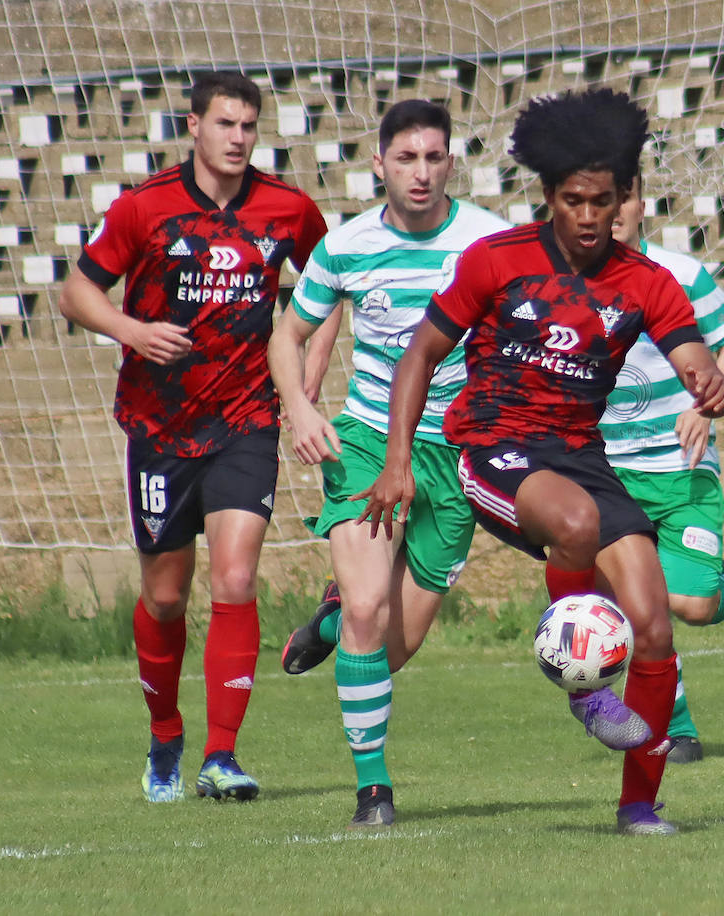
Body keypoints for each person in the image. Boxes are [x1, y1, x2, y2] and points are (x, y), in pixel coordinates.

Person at [357, 88, 724, 835]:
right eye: (573, 200)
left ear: (625, 196)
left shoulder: (647, 284)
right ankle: (584, 683)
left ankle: (638, 806)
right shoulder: (496, 260)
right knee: (578, 521)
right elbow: (419, 356)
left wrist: (710, 381)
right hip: (491, 445)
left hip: (579, 457)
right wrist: (399, 461)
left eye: (603, 200)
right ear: (549, 197)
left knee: (656, 627)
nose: (588, 217)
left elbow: (692, 352)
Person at [58, 71, 327, 803]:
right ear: (195, 126)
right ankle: (165, 736)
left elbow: (330, 287)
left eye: (248, 126)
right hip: (161, 426)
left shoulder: (288, 209)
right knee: (167, 595)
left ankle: (223, 755)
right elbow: (75, 291)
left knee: (237, 577)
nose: (238, 138)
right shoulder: (146, 208)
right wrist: (130, 330)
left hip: (246, 420)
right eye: (225, 124)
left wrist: (302, 385)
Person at [267, 99, 509, 830]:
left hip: (457, 456)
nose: (421, 172)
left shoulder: (491, 243)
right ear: (379, 165)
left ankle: (335, 625)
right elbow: (289, 335)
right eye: (406, 158)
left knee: (386, 648)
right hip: (371, 440)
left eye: (434, 157)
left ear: (452, 164)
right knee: (373, 607)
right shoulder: (346, 245)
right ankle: (374, 791)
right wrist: (301, 410)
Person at [602, 176, 724, 764]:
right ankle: (677, 727)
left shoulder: (681, 275)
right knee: (630, 605)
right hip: (606, 476)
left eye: (622, 197)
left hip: (682, 471)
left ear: (641, 204)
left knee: (692, 606)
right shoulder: (564, 285)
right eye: (597, 198)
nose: (611, 211)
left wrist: (705, 404)